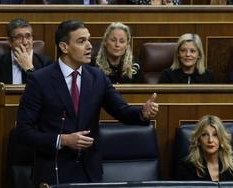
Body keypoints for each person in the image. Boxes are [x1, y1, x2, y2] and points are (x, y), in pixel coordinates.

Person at [16, 20, 159, 187]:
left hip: (89, 173)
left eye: (89, 40)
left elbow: (122, 111)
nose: (90, 46)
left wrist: (142, 113)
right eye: (81, 41)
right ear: (64, 47)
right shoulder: (40, 80)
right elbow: (23, 132)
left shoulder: (97, 77)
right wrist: (62, 140)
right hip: (53, 172)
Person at [0, 18, 52, 118]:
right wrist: (9, 112)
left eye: (28, 36)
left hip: (37, 118)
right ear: (10, 42)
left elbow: (49, 96)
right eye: (19, 37)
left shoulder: (46, 63)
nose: (25, 42)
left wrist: (29, 68)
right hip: (4, 116)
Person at [175, 115, 233, 181]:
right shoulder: (186, 168)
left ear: (221, 139)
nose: (210, 140)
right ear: (198, 140)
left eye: (215, 135)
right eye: (204, 135)